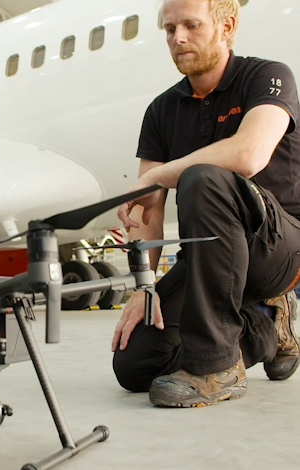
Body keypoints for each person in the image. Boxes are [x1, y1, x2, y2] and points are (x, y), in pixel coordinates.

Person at [112, 0, 300, 407]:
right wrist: (144, 287)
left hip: (277, 248)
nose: (178, 38)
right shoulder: (161, 111)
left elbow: (249, 154)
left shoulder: (268, 76)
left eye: (191, 25)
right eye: (169, 29)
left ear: (226, 25)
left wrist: (160, 176)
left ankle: (216, 368)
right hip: (209, 257)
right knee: (136, 365)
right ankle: (263, 326)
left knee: (203, 177)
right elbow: (150, 209)